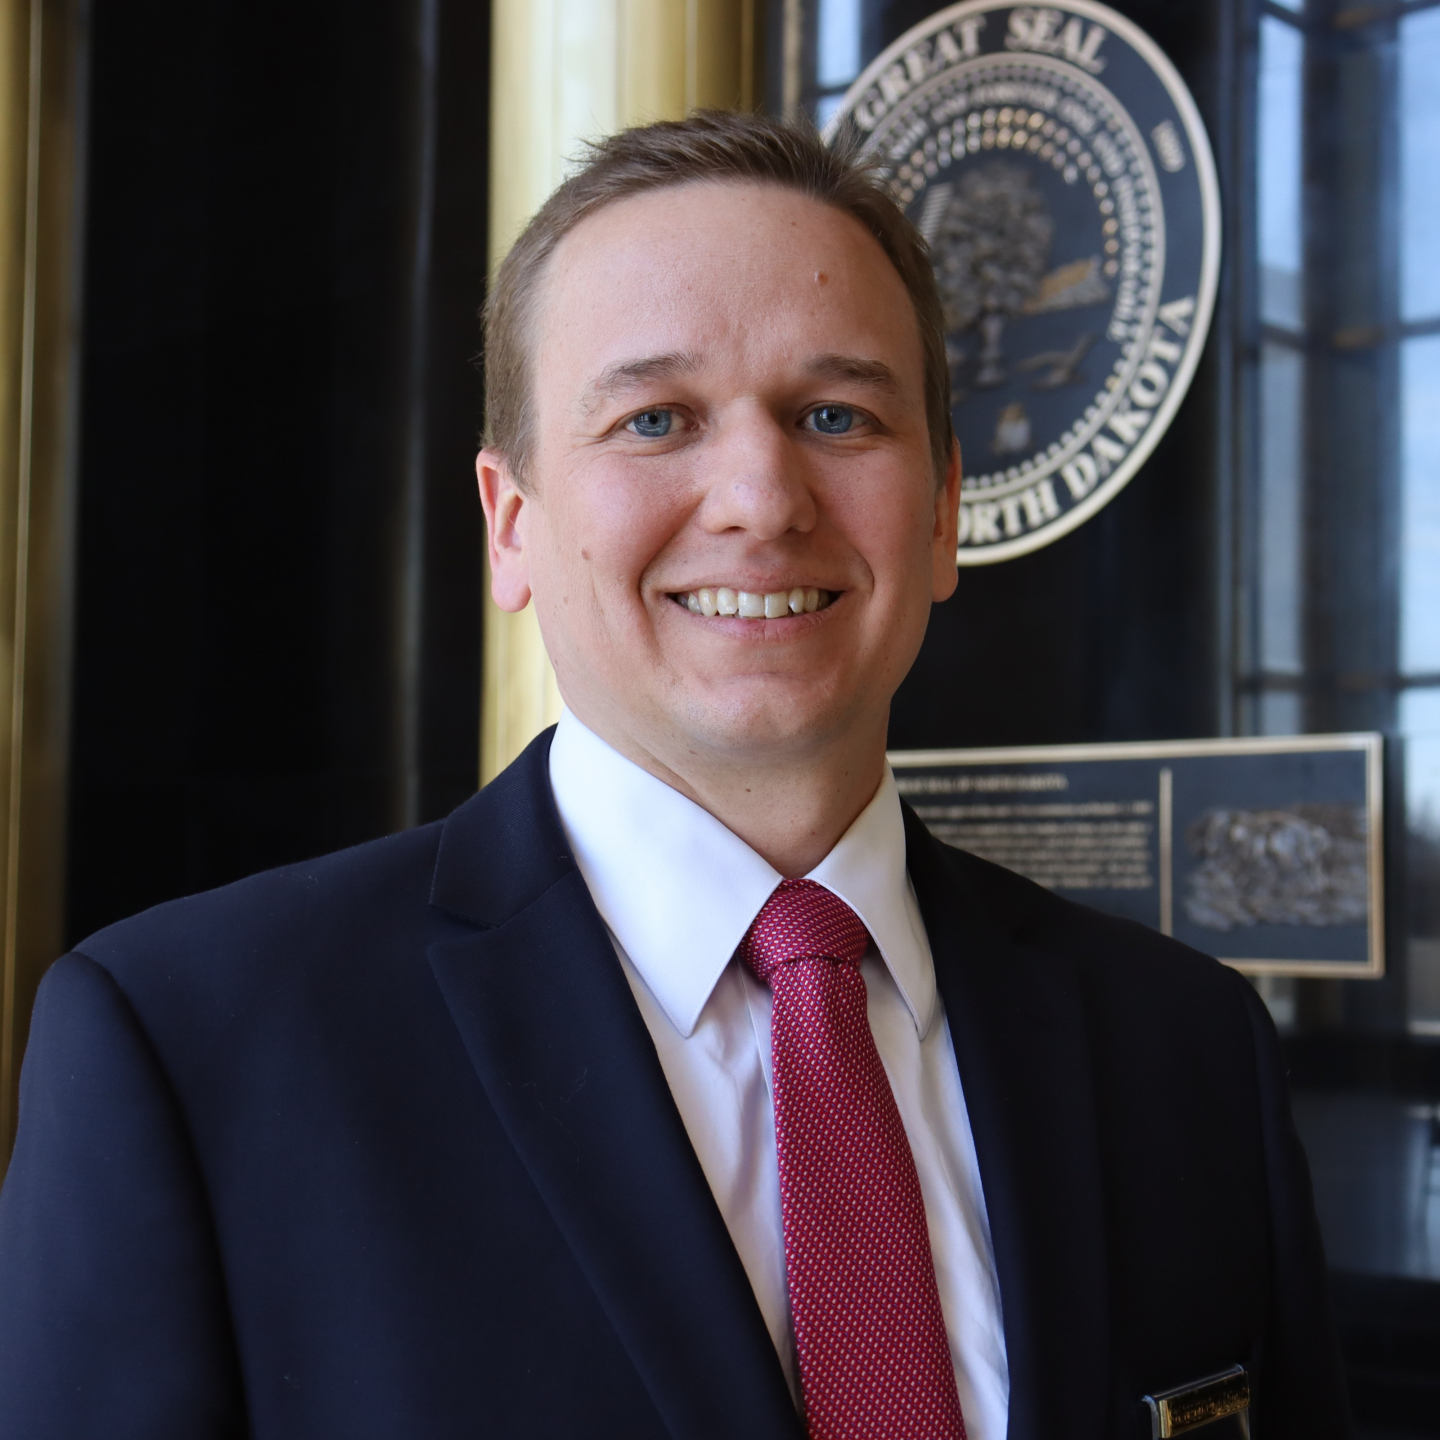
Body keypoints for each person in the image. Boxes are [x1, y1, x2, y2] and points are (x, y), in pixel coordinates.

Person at [0, 111, 1347, 1440]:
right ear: (511, 526)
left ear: (942, 512)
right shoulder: (192, 1052)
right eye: (655, 421)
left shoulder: (1188, 1050)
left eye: (836, 413)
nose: (761, 497)